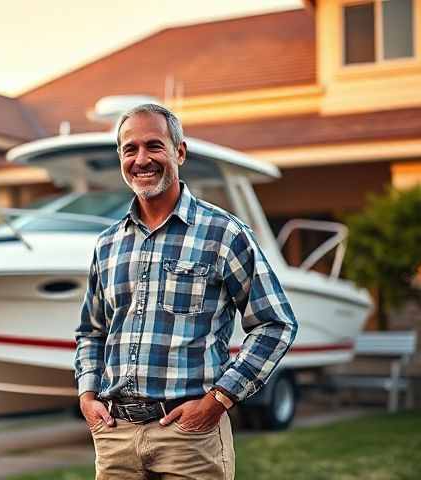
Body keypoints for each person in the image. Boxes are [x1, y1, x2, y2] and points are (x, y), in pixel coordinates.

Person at [74, 103, 297, 479]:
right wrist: (87, 396)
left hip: (190, 437)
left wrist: (219, 400)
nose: (141, 159)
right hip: (115, 437)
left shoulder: (224, 233)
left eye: (154, 146)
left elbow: (276, 324)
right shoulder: (107, 244)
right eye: (130, 149)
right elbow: (91, 331)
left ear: (179, 152)